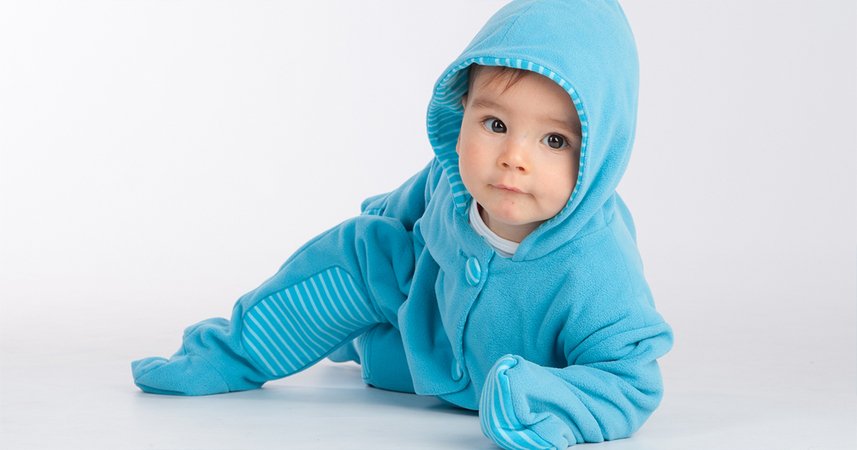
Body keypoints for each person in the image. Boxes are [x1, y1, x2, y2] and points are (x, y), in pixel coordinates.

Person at [131, 0, 674, 447]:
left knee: (376, 346)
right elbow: (401, 210)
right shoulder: (451, 182)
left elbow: (631, 381)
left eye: (554, 140)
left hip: (492, 371)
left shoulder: (596, 267)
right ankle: (231, 354)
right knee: (364, 250)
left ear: (600, 156)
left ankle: (357, 339)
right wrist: (380, 223)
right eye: (494, 124)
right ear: (462, 114)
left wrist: (538, 402)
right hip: (422, 331)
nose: (513, 158)